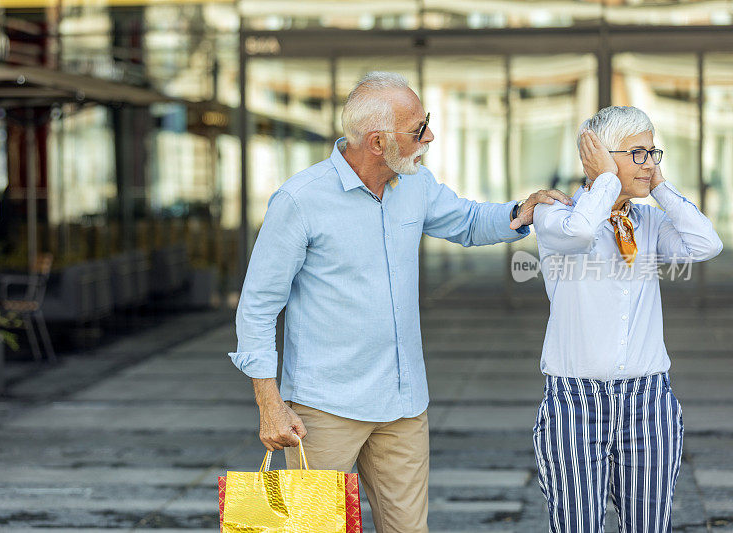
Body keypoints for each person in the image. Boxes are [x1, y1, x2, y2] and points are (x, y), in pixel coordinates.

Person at [228, 71, 571, 532]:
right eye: (418, 129)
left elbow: (467, 221)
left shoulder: (415, 184)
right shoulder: (300, 200)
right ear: (376, 142)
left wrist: (519, 212)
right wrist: (270, 404)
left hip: (404, 406)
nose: (429, 136)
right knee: (314, 529)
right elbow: (257, 306)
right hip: (324, 410)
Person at [532, 105, 723, 533]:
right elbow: (581, 234)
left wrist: (661, 187)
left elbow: (705, 244)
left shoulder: (649, 220)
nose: (650, 162)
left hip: (649, 399)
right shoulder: (555, 213)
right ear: (598, 154)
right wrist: (604, 182)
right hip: (574, 403)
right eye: (638, 153)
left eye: (654, 152)